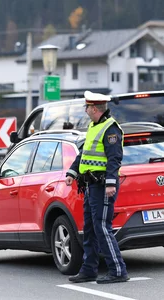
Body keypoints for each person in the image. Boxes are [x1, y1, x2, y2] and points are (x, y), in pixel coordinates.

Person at [65, 91, 129, 284]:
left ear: (94, 108)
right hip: (91, 186)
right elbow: (84, 154)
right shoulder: (94, 126)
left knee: (102, 227)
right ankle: (89, 269)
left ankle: (118, 270)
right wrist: (72, 172)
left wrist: (110, 182)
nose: (85, 110)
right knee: (90, 229)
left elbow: (114, 158)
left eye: (87, 107)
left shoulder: (111, 128)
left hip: (102, 185)